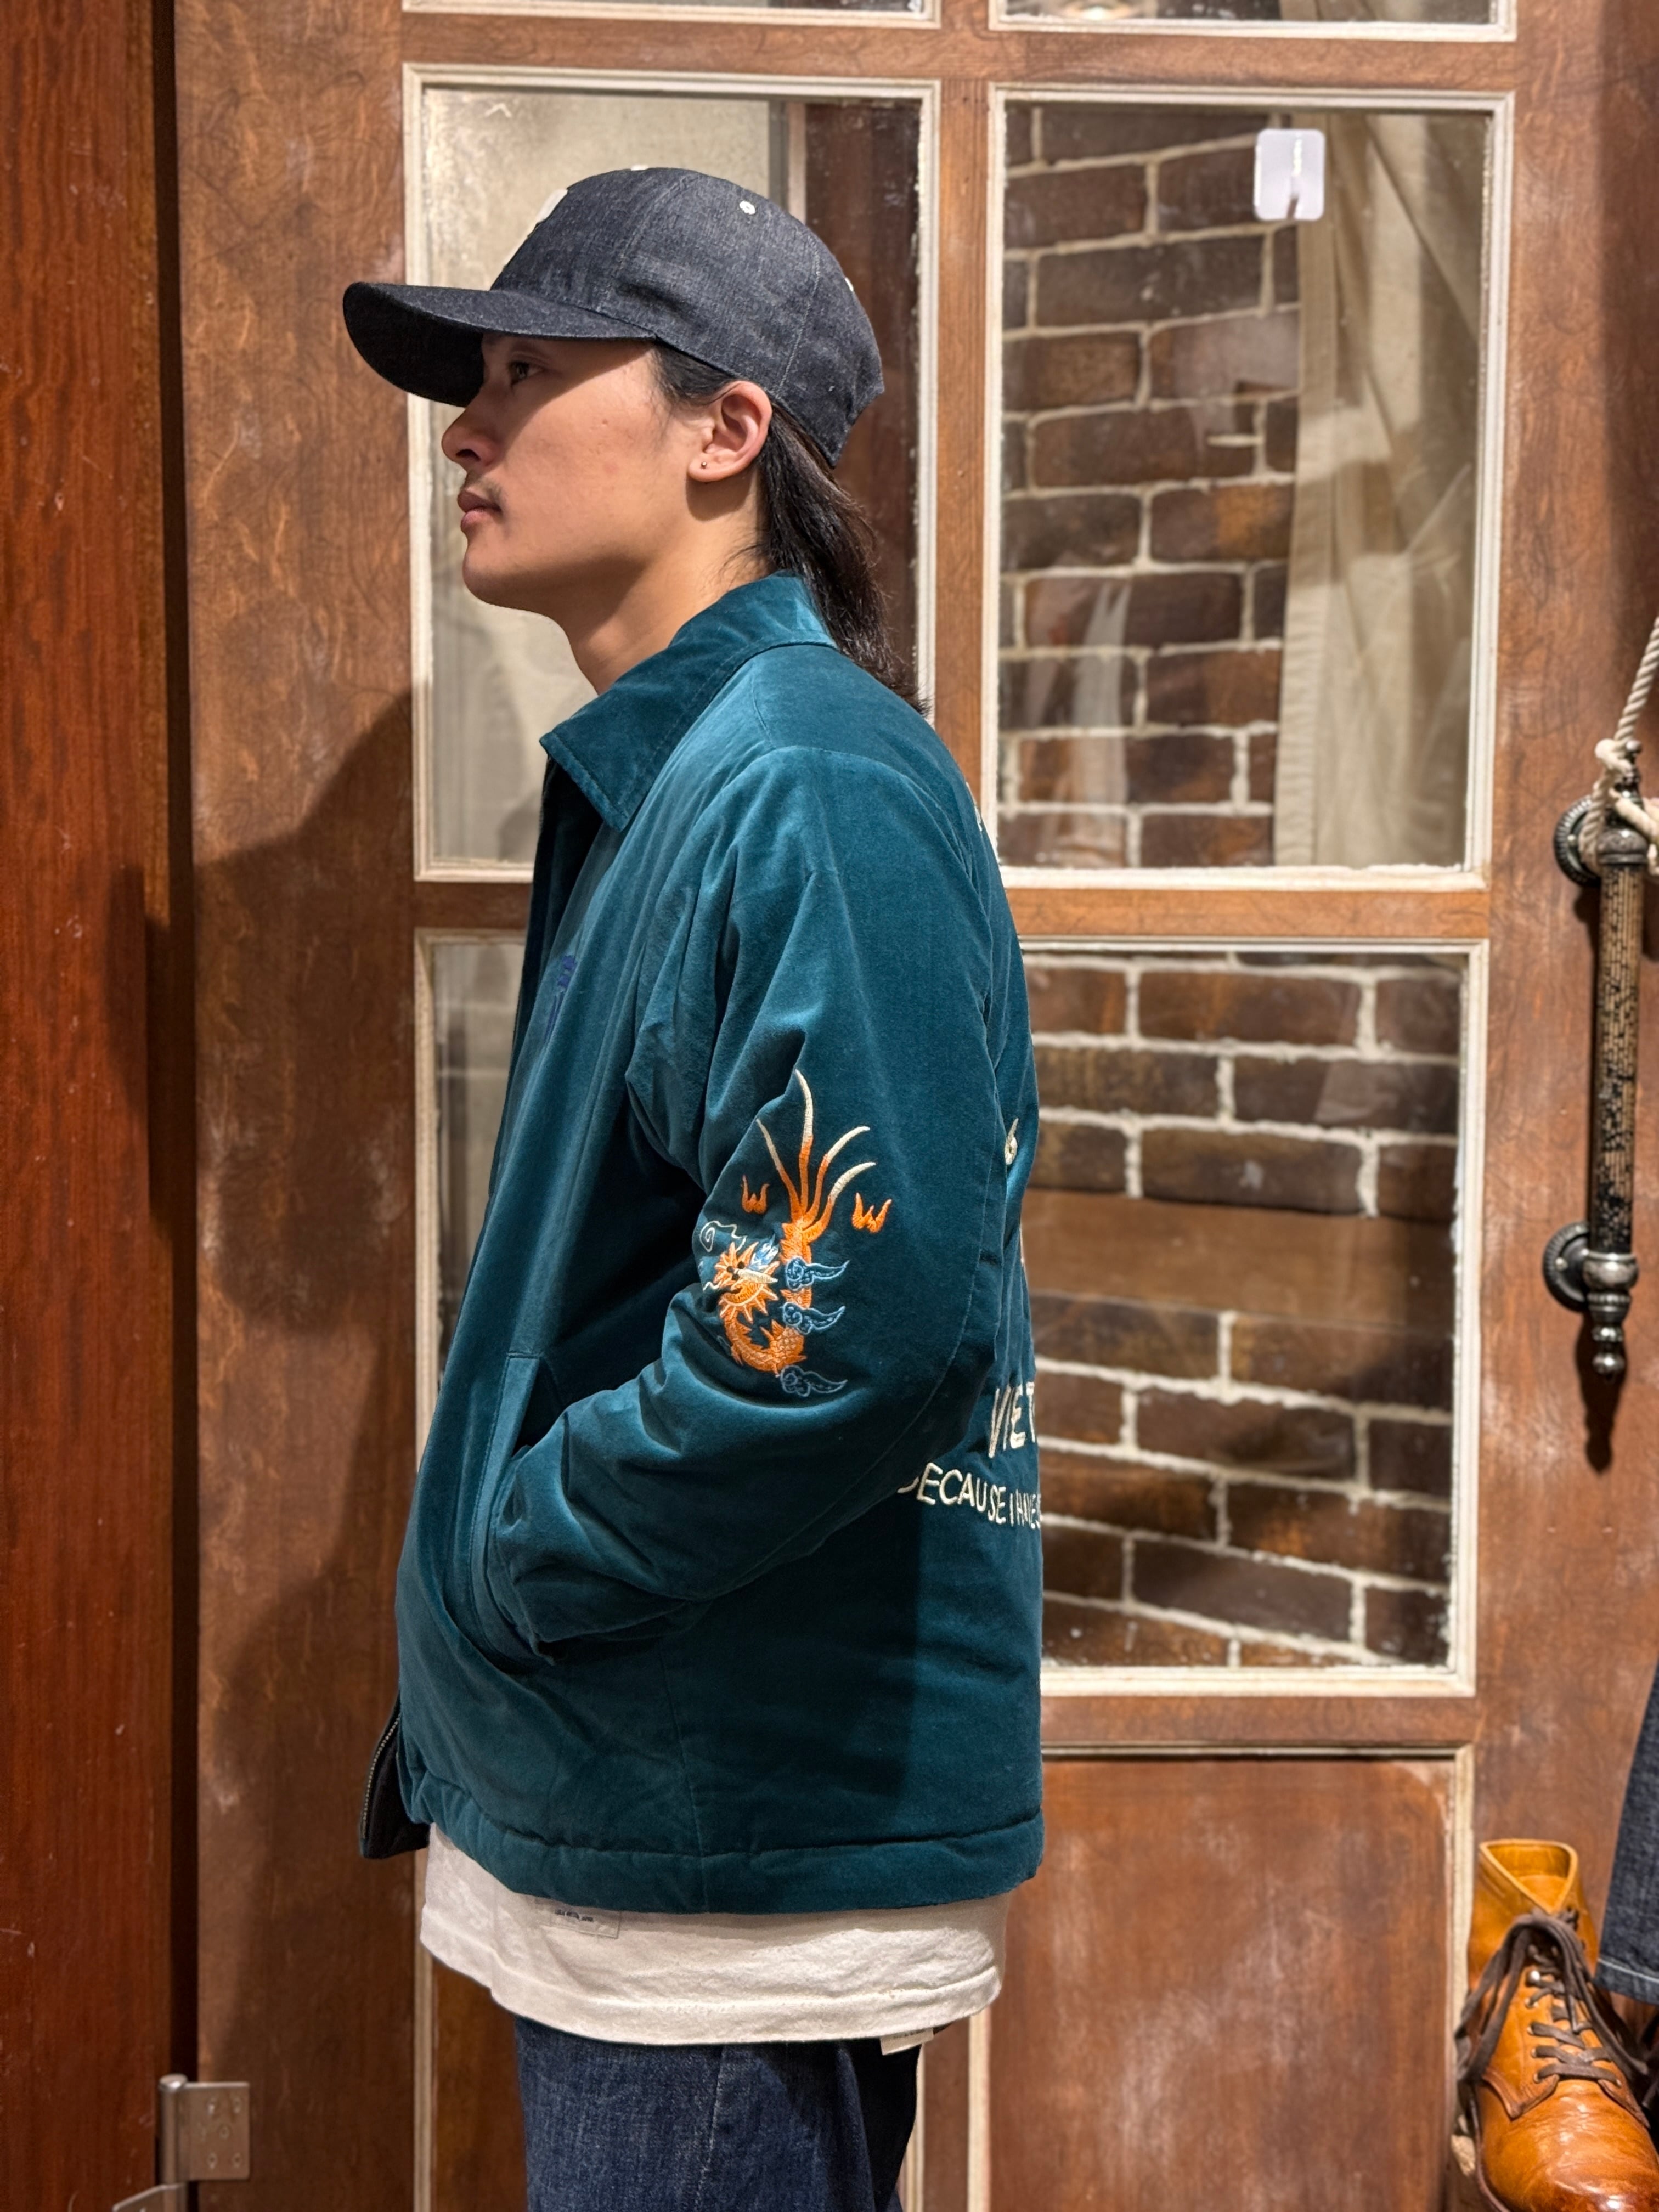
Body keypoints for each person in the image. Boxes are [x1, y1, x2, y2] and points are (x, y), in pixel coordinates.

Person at [342, 167, 1043, 2212]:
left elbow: (848, 1333)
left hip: (720, 1865)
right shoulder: (695, 770)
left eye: (525, 372)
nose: (465, 429)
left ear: (727, 429)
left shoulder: (802, 780)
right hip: (661, 1830)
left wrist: (516, 1553)